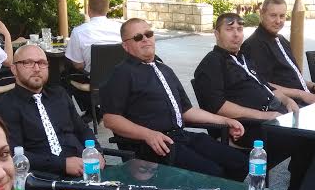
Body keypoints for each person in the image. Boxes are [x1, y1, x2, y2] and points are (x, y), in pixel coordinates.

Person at [193, 13, 315, 190]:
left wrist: (288, 100)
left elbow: (266, 87)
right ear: (216, 33)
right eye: (229, 29)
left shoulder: (243, 59)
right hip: (246, 128)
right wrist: (265, 115)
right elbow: (218, 106)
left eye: (239, 29)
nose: (236, 34)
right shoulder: (212, 63)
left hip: (272, 119)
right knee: (307, 140)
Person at [100, 18, 247, 181]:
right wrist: (148, 134)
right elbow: (111, 119)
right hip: (152, 145)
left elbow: (186, 110)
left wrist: (225, 120)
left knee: (239, 162)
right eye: (138, 37)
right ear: (126, 46)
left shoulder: (164, 69)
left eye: (148, 34)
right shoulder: (121, 73)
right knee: (212, 173)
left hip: (180, 137)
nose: (145, 39)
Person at [0, 43, 103, 177]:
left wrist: (96, 151)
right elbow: (13, 154)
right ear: (14, 69)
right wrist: (62, 165)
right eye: (28, 63)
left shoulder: (59, 94)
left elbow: (83, 129)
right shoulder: (6, 106)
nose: (36, 69)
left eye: (42, 63)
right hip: (45, 178)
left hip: (85, 167)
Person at [242, 0, 315, 105]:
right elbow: (262, 84)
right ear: (261, 14)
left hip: (306, 97)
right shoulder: (254, 45)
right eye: (273, 15)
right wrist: (302, 94)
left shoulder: (281, 39)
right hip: (287, 105)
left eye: (282, 16)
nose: (278, 21)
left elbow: (291, 78)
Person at [64, 0, 123, 114]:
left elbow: (78, 65)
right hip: (120, 79)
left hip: (94, 82)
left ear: (88, 8)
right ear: (107, 8)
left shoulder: (79, 32)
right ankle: (96, 112)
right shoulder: (121, 29)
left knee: (65, 76)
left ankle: (93, 112)